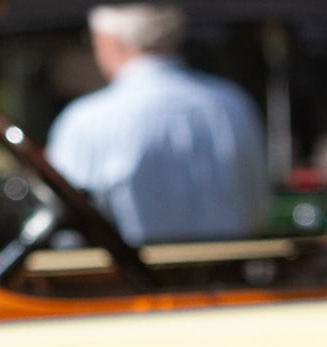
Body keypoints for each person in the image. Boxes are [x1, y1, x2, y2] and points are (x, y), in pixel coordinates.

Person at [46, 2, 270, 245]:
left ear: (111, 42)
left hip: (126, 280)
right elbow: (256, 206)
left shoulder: (86, 120)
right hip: (231, 276)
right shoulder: (232, 105)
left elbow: (68, 232)